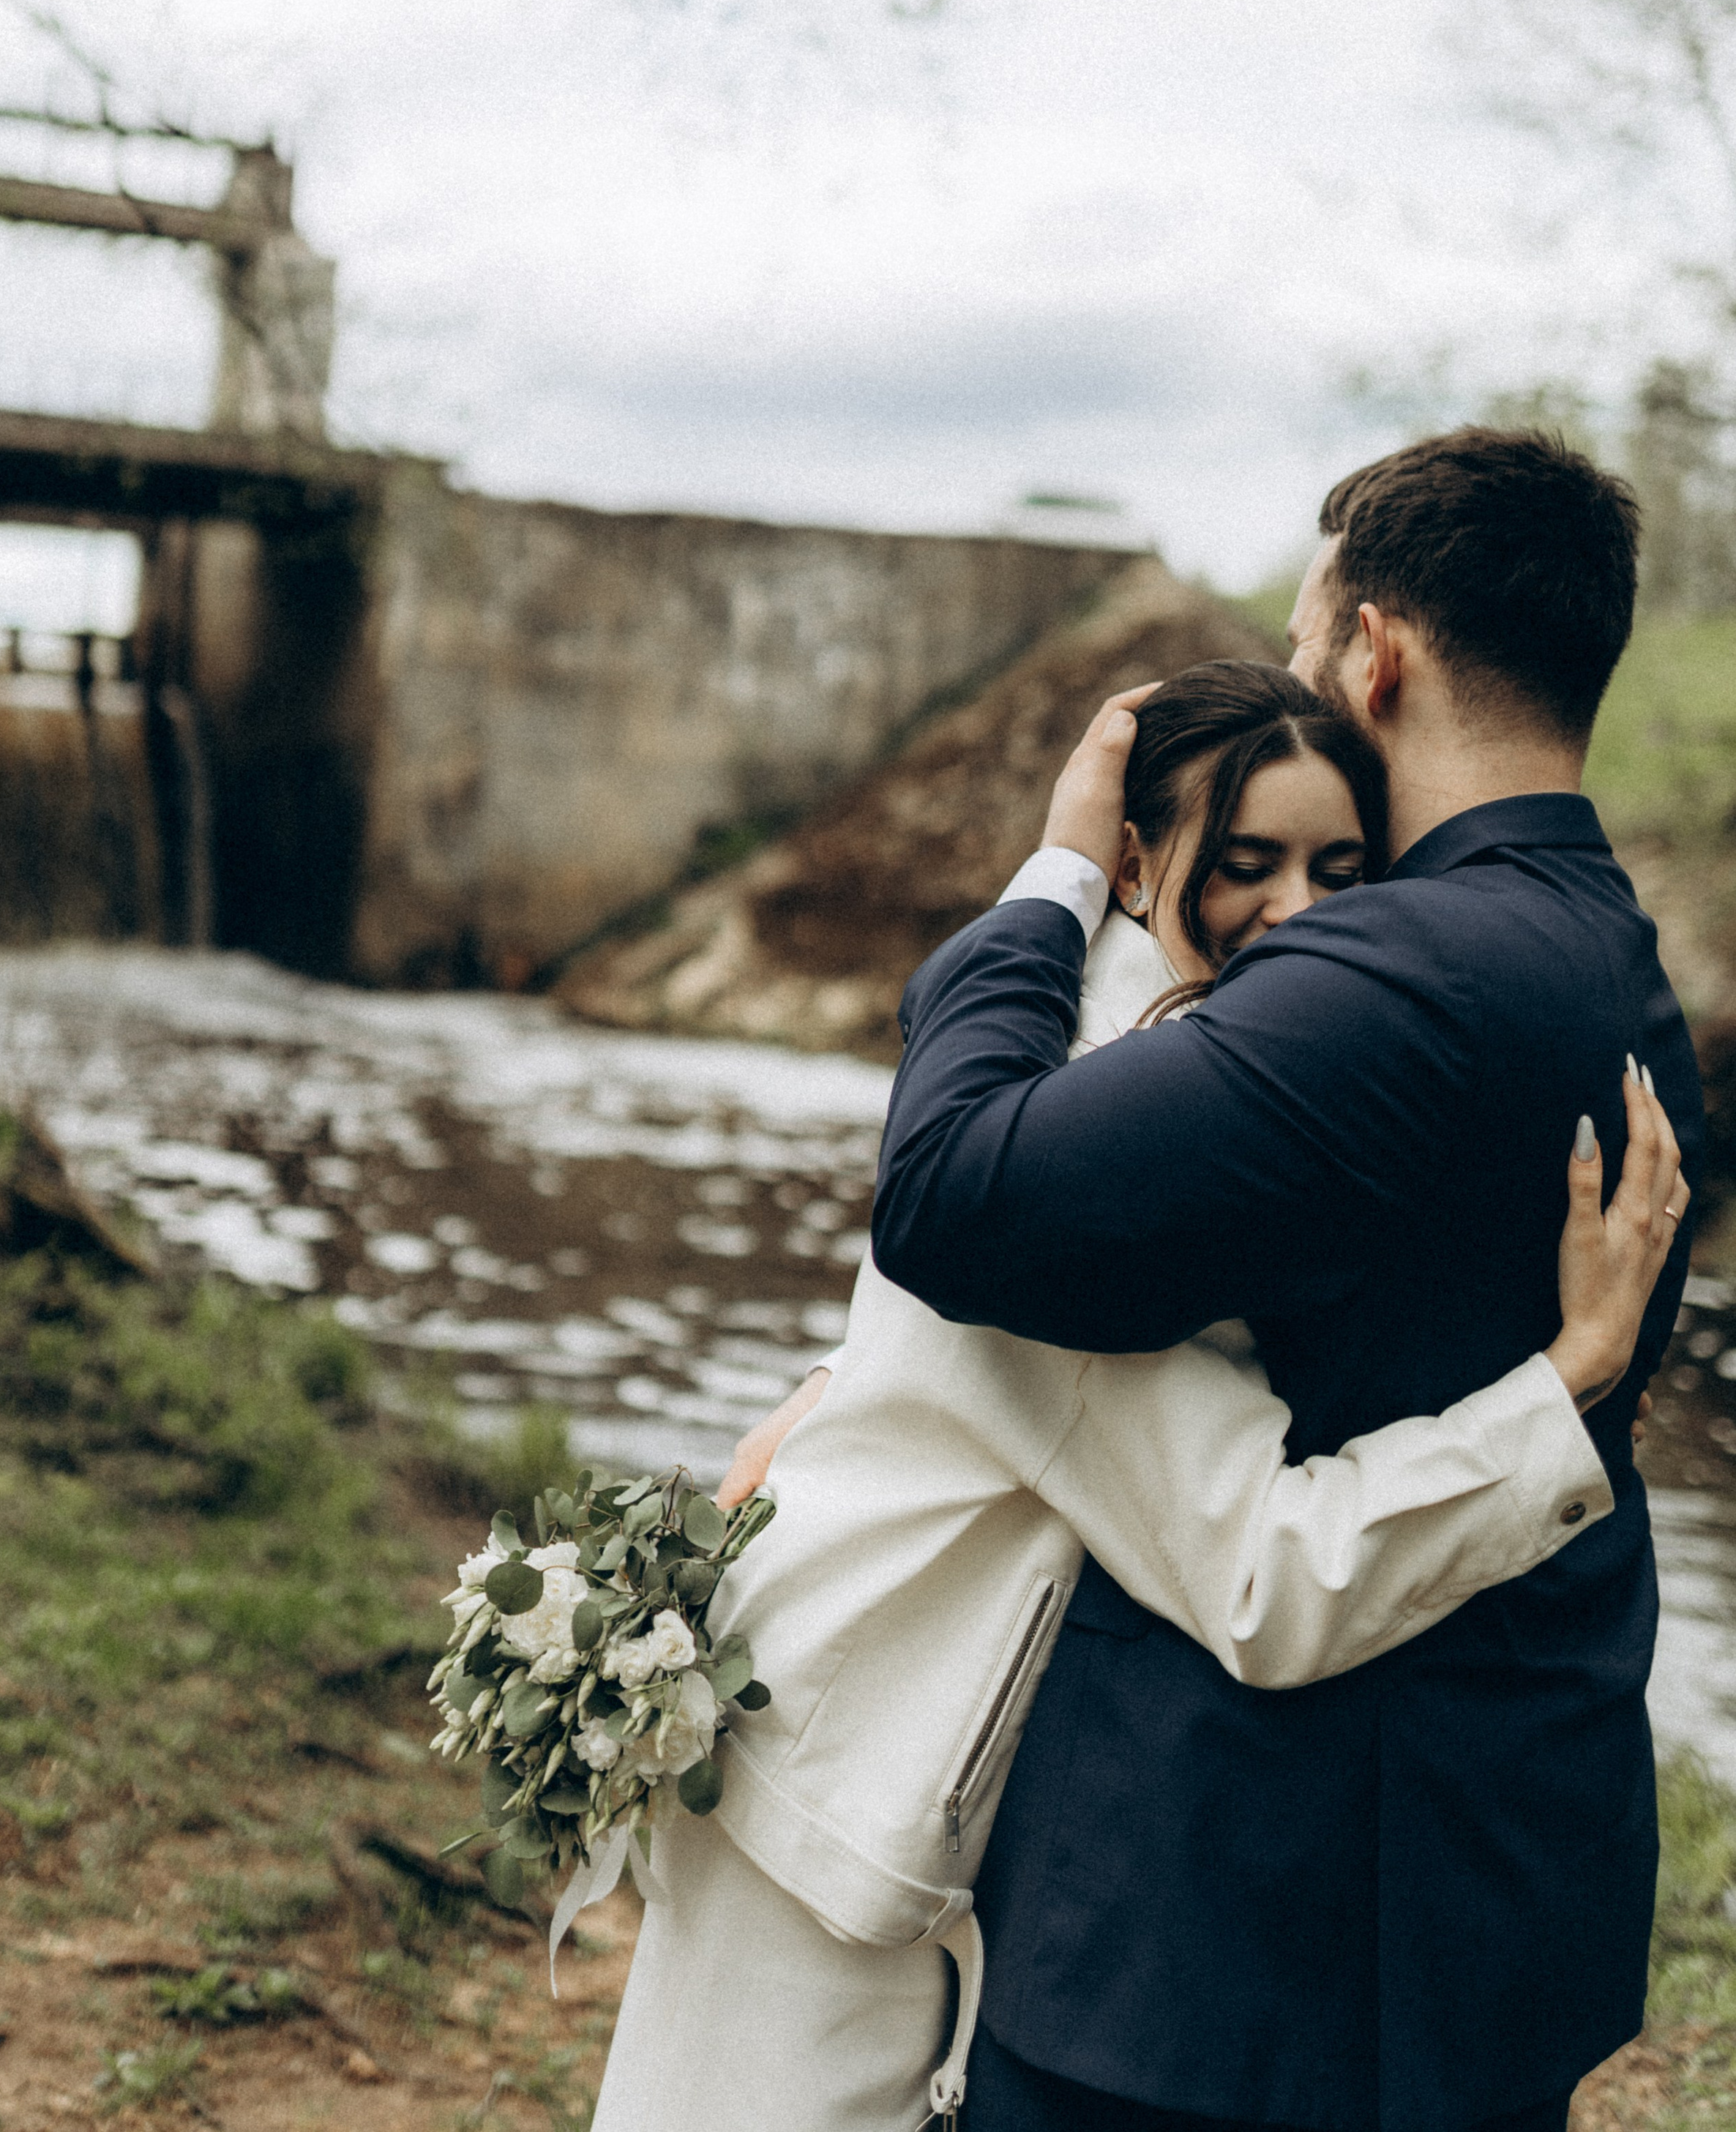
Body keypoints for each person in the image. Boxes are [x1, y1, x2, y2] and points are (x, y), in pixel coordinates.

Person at [588, 657, 1688, 2132]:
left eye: (1339, 867)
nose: (1299, 909)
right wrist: (1566, 1384)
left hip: (844, 1799)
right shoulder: (1110, 1164)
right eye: (1246, 863)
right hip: (826, 1856)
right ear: (1133, 858)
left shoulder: (1089, 1058)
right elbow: (1267, 1574)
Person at [869, 428, 1705, 2132]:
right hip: (1489, 1876)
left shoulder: (1387, 973)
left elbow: (952, 1198)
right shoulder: (1618, 966)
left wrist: (1050, 878)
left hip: (1234, 1942)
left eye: (1308, 646)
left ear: (1372, 651)